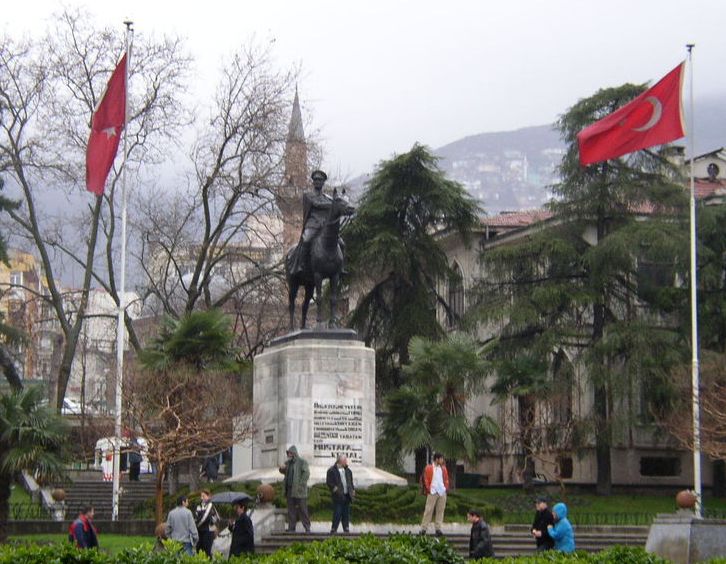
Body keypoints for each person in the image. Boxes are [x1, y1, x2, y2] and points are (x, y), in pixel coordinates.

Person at [291, 170, 334, 276]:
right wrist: (332, 205)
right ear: (313, 182)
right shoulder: (308, 195)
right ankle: (300, 265)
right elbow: (317, 204)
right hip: (313, 224)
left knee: (340, 242)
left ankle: (340, 267)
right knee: (306, 240)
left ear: (323, 182)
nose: (318, 182)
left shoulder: (327, 198)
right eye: (316, 180)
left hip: (325, 226)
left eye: (320, 180)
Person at [278, 445, 311, 532]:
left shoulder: (302, 462)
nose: (288, 454)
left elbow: (306, 474)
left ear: (294, 453)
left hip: (299, 490)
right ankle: (291, 527)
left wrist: (301, 484)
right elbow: (282, 471)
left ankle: (307, 527)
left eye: (289, 452)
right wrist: (281, 468)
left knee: (302, 509)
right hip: (289, 489)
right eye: (287, 453)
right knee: (291, 510)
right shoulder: (288, 463)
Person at [419, 452, 449, 536]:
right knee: (428, 510)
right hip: (432, 491)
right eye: (441, 459)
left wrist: (445, 488)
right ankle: (423, 528)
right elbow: (425, 479)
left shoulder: (443, 468)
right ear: (437, 459)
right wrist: (429, 489)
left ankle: (438, 528)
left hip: (442, 492)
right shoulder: (429, 468)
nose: (442, 460)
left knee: (440, 510)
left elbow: (446, 479)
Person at [326, 454, 355, 534]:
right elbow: (329, 482)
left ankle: (346, 528)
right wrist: (336, 490)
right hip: (338, 496)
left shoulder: (348, 471)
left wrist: (352, 490)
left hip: (347, 495)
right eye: (345, 460)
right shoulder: (332, 470)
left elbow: (350, 482)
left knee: (346, 513)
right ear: (341, 461)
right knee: (337, 512)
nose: (346, 462)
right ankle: (334, 529)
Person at [195, 489, 219, 557]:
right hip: (200, 531)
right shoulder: (199, 506)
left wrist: (197, 525)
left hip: (208, 531)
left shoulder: (210, 505)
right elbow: (196, 516)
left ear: (208, 496)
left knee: (207, 550)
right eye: (201, 496)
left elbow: (204, 518)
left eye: (203, 496)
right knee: (199, 549)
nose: (202, 498)